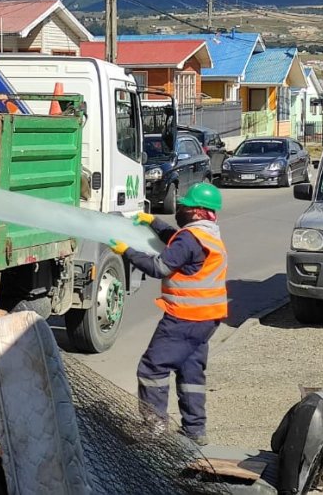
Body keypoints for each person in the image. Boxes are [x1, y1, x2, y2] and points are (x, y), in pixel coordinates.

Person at [108, 182, 228, 446]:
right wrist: (153, 222)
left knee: (152, 368)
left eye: (185, 206)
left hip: (184, 318)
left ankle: (155, 428)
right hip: (207, 319)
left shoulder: (191, 238)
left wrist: (127, 251)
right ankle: (195, 430)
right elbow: (176, 241)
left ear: (196, 211)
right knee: (190, 372)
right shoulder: (207, 235)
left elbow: (159, 267)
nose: (180, 209)